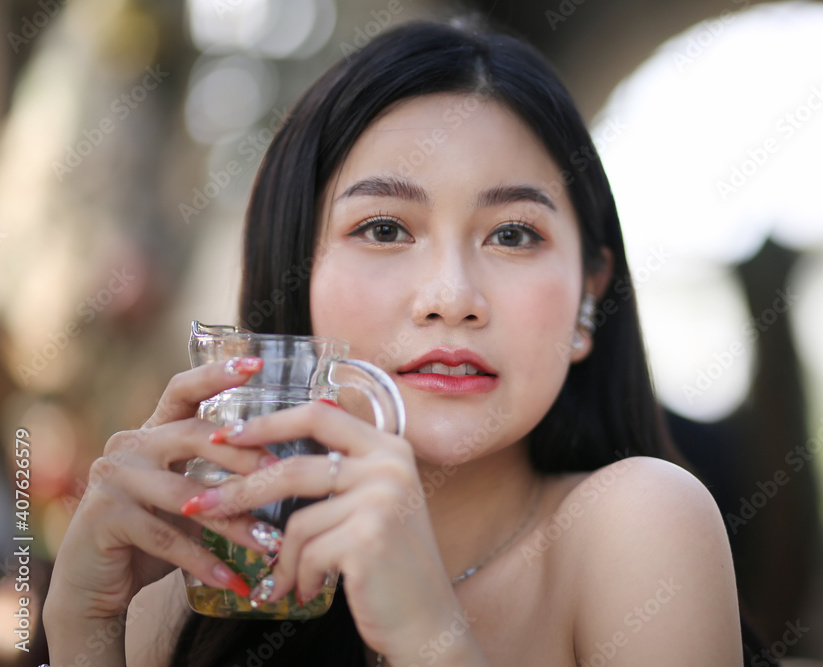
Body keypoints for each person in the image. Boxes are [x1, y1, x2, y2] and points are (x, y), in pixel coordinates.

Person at [43, 16, 743, 667]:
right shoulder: (197, 590)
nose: (451, 298)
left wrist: (430, 635)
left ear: (590, 296)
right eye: (384, 228)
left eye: (512, 234)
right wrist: (85, 632)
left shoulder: (639, 528)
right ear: (298, 275)